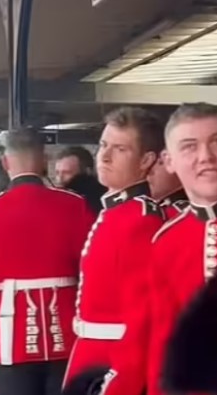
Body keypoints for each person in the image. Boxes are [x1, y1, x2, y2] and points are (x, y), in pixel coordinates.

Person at [0, 127, 95, 395]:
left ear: (5, 163)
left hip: (11, 337)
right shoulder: (74, 205)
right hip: (67, 333)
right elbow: (92, 271)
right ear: (44, 161)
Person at [142, 104, 217, 395]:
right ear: (169, 161)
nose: (205, 157)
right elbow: (164, 345)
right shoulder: (166, 241)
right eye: (189, 147)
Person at [63, 107, 165, 393]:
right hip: (89, 354)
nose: (104, 156)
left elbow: (140, 317)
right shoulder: (115, 212)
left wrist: (119, 379)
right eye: (103, 145)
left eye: (120, 149)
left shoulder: (142, 219)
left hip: (110, 362)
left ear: (146, 160)